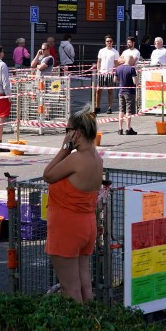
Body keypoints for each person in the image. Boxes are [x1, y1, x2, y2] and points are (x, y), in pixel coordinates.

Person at [42, 106, 104, 302]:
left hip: (66, 227)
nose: (65, 135)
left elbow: (48, 175)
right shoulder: (96, 158)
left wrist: (64, 149)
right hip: (87, 226)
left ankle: (77, 330)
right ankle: (93, 325)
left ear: (76, 133)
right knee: (85, 285)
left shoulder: (77, 158)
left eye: (67, 131)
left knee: (71, 290)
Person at [93, 36, 119, 114]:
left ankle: (110, 107)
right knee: (98, 90)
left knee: (110, 91)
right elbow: (99, 61)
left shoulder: (115, 52)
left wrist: (115, 74)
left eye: (110, 41)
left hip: (110, 73)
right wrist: (98, 71)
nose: (109, 43)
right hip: (101, 73)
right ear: (105, 42)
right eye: (107, 41)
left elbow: (116, 64)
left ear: (112, 42)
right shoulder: (101, 51)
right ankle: (97, 107)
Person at [114, 54, 138, 135]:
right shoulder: (131, 69)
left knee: (121, 110)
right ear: (130, 60)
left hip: (121, 91)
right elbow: (135, 82)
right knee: (129, 110)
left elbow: (115, 80)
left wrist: (121, 82)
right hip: (130, 92)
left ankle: (120, 128)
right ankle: (128, 128)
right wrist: (137, 83)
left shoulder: (118, 68)